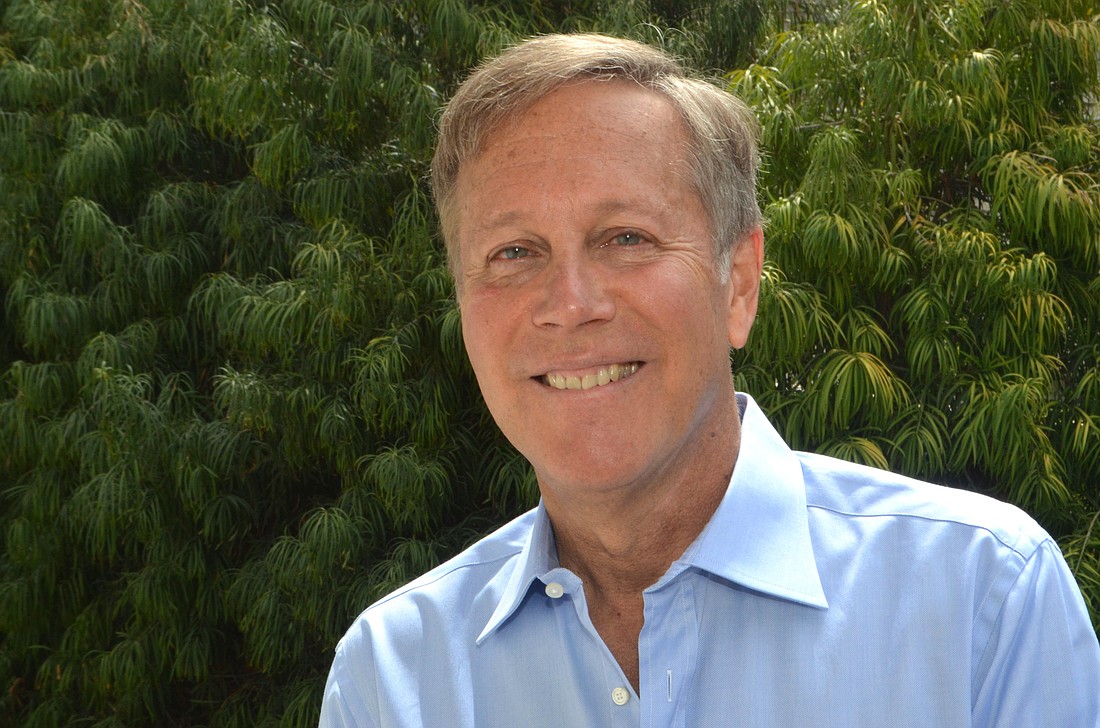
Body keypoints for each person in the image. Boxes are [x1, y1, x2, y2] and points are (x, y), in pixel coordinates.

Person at [320, 33, 1100, 727]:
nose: (571, 305)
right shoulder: (392, 682)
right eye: (514, 253)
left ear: (739, 284)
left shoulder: (982, 603)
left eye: (627, 238)